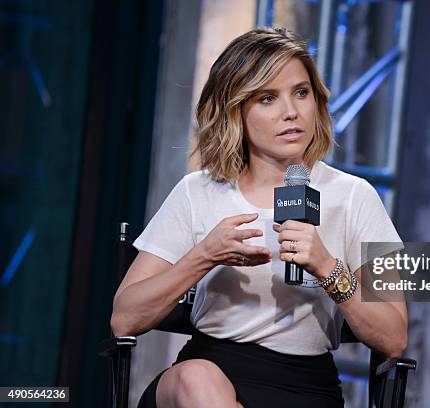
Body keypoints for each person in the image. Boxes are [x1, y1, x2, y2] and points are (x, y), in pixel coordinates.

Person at [110, 27, 407, 408]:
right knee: (195, 379)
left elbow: (394, 337)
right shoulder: (197, 191)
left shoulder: (355, 196)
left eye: (302, 93)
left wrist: (328, 268)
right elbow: (124, 319)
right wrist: (204, 256)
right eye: (268, 98)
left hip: (306, 387)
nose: (291, 112)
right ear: (236, 111)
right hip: (208, 374)